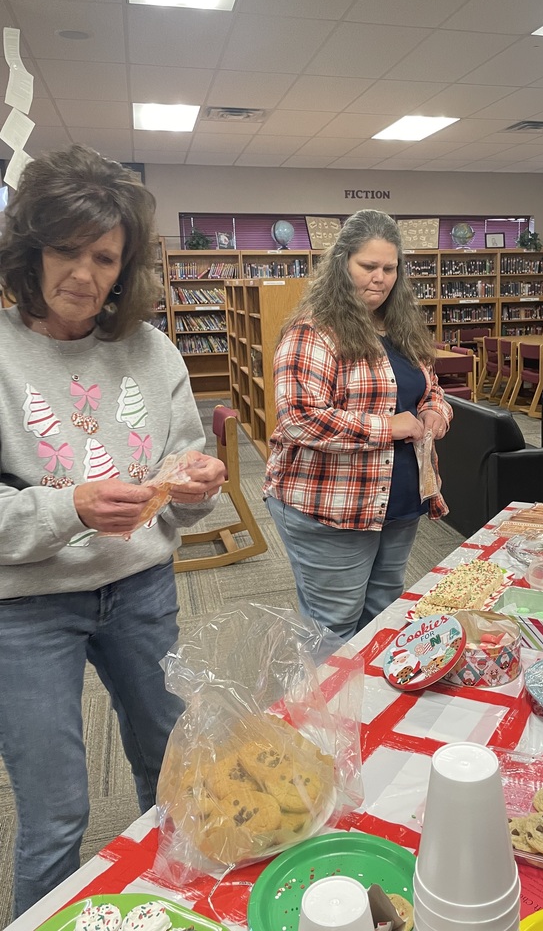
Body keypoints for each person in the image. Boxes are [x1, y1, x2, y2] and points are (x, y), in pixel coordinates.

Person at [0, 144, 227, 917]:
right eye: (65, 249)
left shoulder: (150, 347)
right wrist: (70, 508)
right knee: (57, 810)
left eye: (104, 257)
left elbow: (183, 464)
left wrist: (197, 482)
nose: (83, 274)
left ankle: (171, 905)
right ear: (28, 248)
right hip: (26, 609)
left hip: (141, 589)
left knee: (172, 769)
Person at [263, 209, 452, 640]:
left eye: (389, 268)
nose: (379, 278)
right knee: (334, 627)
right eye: (368, 266)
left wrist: (434, 414)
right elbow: (299, 418)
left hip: (401, 500)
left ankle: (372, 707)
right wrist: (390, 427)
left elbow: (431, 389)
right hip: (333, 506)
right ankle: (330, 709)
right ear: (342, 262)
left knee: (384, 614)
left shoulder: (401, 327)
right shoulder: (314, 331)